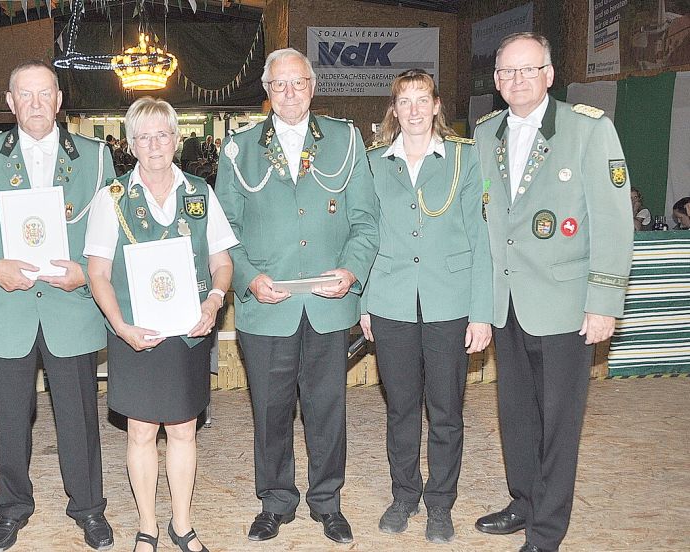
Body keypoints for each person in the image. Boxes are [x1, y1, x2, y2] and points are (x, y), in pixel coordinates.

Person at [473, 32, 633, 552]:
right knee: (516, 412)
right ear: (496, 82)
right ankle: (523, 500)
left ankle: (547, 530)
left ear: (549, 74)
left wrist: (604, 301)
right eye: (506, 72)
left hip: (566, 304)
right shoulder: (483, 133)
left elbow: (613, 222)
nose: (516, 80)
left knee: (560, 420)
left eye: (527, 69)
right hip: (507, 302)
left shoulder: (589, 130)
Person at [0, 61, 116, 552]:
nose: (37, 104)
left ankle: (88, 508)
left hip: (72, 309)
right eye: (26, 95)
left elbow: (112, 231)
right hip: (9, 310)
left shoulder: (96, 155)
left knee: (80, 418)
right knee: (10, 420)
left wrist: (87, 273)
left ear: (60, 100)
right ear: (10, 101)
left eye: (45, 94)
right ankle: (12, 508)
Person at [216, 48, 379, 545]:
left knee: (327, 408)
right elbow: (222, 231)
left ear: (313, 85)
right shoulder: (239, 149)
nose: (290, 92)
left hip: (328, 306)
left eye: (298, 82)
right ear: (266, 91)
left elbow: (366, 222)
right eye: (279, 84)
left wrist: (352, 272)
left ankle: (327, 501)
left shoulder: (346, 140)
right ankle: (276, 500)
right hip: (266, 308)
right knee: (269, 409)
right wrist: (246, 277)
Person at [85, 97, 237, 552]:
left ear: (176, 139)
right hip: (135, 335)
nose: (154, 144)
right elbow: (97, 272)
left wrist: (213, 301)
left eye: (163, 134)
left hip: (188, 335)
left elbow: (221, 261)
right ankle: (148, 526)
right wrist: (120, 326)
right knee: (141, 432)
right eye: (144, 136)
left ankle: (183, 525)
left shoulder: (199, 192)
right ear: (130, 144)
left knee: (185, 430)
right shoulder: (110, 199)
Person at [360, 69, 493, 545]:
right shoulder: (374, 163)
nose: (414, 109)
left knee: (446, 411)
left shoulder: (464, 157)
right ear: (393, 109)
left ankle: (441, 503)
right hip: (392, 301)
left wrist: (481, 312)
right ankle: (403, 495)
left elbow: (481, 239)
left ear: (437, 105)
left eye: (422, 99)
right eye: (404, 100)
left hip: (449, 301)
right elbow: (366, 236)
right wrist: (366, 304)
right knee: (400, 409)